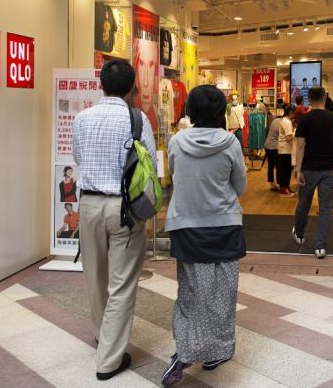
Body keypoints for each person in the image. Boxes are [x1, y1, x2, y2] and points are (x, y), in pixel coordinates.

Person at [73, 60, 157, 380]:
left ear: (101, 85)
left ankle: (102, 336)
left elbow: (78, 158)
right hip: (124, 208)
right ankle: (108, 360)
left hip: (89, 204)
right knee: (122, 283)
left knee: (94, 277)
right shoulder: (137, 119)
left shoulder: (82, 118)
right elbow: (149, 164)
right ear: (133, 87)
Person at [162, 85, 247, 385]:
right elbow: (240, 185)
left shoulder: (176, 141)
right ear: (221, 111)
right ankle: (216, 351)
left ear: (191, 110)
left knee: (189, 292)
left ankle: (186, 348)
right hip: (224, 225)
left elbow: (176, 177)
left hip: (186, 226)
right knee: (223, 293)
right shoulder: (230, 142)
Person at [292, 87, 333, 258]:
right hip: (329, 169)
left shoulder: (305, 119)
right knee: (326, 208)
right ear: (325, 98)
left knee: (304, 203)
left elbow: (300, 145)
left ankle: (299, 233)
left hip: (308, 168)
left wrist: (298, 169)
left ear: (309, 99)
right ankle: (320, 247)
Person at [277, 105, 296, 198]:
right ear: (291, 112)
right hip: (285, 149)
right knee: (285, 170)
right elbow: (289, 137)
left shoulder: (284, 120)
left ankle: (286, 187)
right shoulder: (286, 122)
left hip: (285, 149)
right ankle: (283, 189)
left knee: (287, 170)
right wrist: (296, 133)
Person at [264, 110, 281, 191]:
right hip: (274, 146)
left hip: (267, 145)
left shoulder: (275, 120)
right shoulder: (283, 122)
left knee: (271, 165)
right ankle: (280, 184)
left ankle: (272, 184)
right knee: (278, 165)